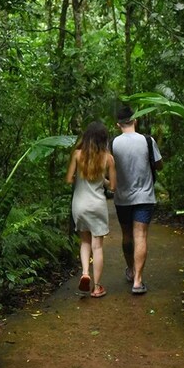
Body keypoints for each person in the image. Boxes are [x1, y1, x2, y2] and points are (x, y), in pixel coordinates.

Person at [111, 105, 163, 294]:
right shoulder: (148, 141)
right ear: (136, 120)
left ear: (118, 124)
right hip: (145, 197)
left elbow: (110, 170)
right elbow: (159, 165)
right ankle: (138, 282)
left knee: (126, 235)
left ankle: (131, 270)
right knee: (140, 235)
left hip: (122, 197)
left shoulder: (113, 144)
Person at [66, 121, 117, 298]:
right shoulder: (108, 158)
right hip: (97, 206)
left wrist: (81, 177)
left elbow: (69, 180)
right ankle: (97, 287)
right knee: (98, 246)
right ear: (104, 139)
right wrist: (101, 180)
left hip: (79, 205)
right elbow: (113, 187)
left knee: (85, 242)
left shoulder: (77, 155)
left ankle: (85, 273)